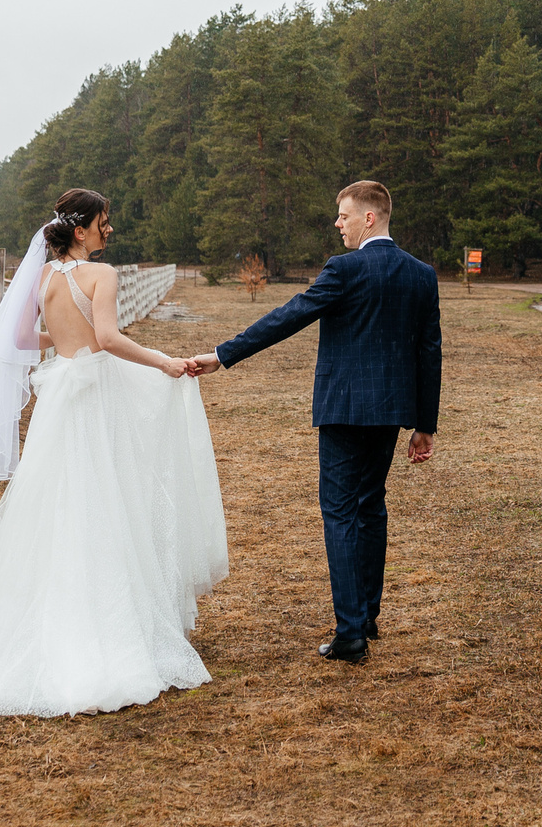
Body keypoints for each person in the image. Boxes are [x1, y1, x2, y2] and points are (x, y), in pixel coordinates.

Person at [0, 189, 227, 717]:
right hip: (95, 394)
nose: (110, 230)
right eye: (105, 222)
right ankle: (111, 630)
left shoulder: (41, 277)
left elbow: (20, 337)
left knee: (58, 503)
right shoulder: (101, 275)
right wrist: (163, 361)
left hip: (59, 394)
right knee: (106, 497)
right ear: (81, 231)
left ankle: (45, 632)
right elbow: (107, 338)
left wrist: (61, 341)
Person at [188, 180, 441, 663]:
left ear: (369, 217)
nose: (337, 223)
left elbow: (289, 316)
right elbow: (430, 351)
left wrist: (222, 355)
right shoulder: (421, 274)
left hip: (343, 410)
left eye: (344, 215)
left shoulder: (344, 269)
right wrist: (424, 424)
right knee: (371, 506)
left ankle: (351, 634)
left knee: (341, 512)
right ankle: (366, 616)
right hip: (390, 411)